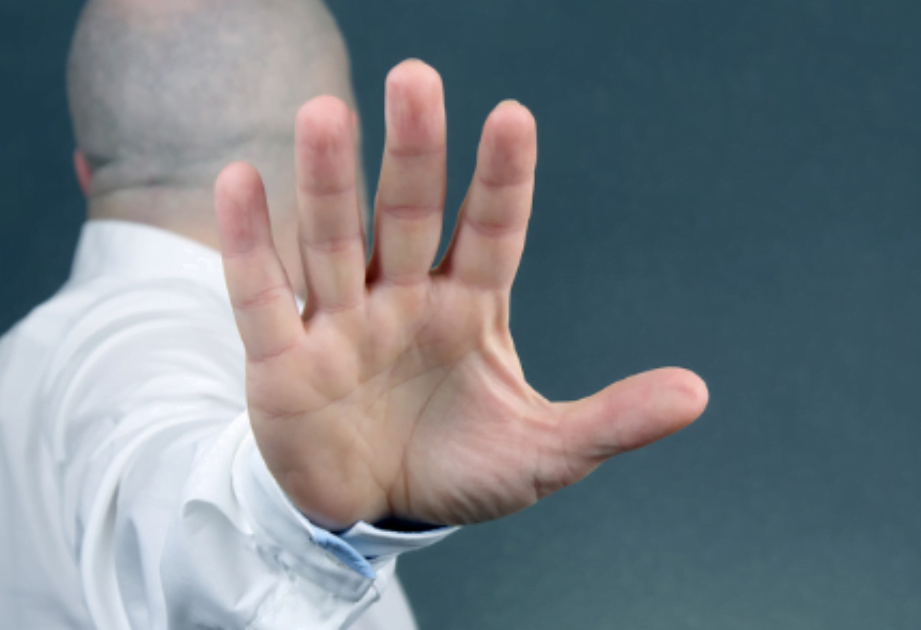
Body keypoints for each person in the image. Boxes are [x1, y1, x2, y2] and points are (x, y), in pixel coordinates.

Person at [0, 0, 709, 628]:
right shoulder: (131, 351)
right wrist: (288, 518)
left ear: (86, 170)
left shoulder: (23, 364)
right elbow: (152, 476)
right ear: (344, 141)